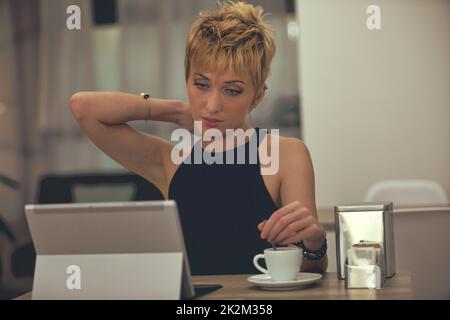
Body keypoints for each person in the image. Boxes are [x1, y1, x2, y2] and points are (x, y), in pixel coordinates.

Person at [70, 1, 328, 275]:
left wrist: (316, 242)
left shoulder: (287, 154)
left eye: (232, 90)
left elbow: (311, 270)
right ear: (187, 80)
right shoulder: (169, 161)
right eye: (201, 85)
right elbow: (83, 107)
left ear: (257, 96)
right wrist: (177, 110)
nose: (212, 105)